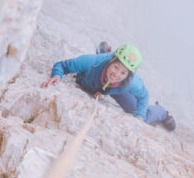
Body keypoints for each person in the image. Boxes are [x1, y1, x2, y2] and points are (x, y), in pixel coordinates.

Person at [41, 43, 176, 131]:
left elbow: (144, 96)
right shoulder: (92, 62)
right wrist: (57, 75)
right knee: (89, 77)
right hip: (94, 79)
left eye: (123, 72)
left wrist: (139, 117)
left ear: (128, 75)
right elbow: (63, 65)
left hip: (115, 89)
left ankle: (163, 113)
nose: (116, 74)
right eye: (116, 67)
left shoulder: (131, 82)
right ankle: (104, 51)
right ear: (111, 61)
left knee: (140, 114)